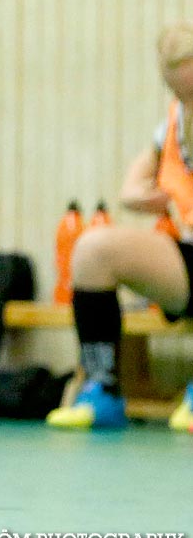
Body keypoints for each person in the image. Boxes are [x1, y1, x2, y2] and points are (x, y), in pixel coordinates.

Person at [46, 22, 193, 431]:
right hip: (186, 253)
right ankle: (103, 389)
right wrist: (144, 196)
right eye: (181, 93)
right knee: (93, 249)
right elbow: (133, 187)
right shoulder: (176, 123)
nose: (189, 100)